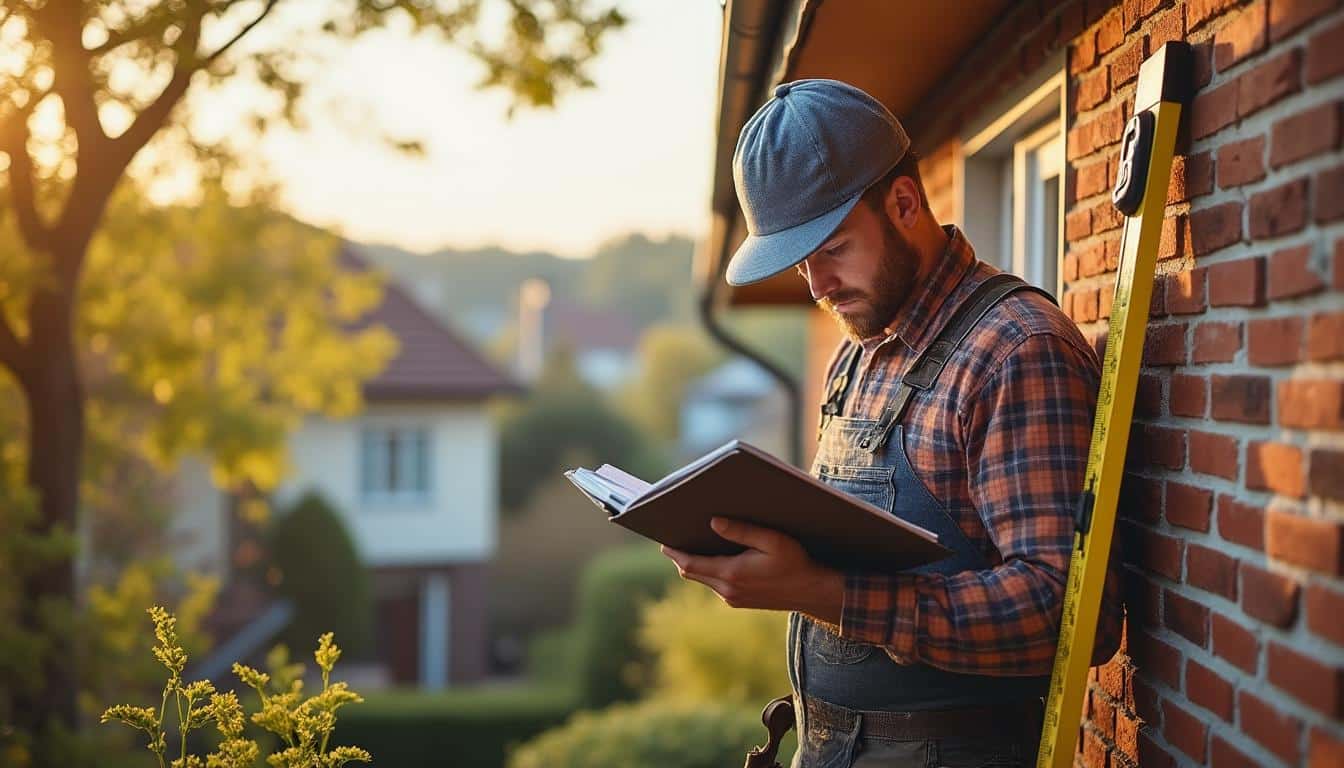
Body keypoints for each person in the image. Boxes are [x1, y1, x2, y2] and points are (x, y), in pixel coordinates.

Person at [658, 78, 1124, 768]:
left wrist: (817, 592)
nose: (817, 285)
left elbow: (1065, 617)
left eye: (832, 249)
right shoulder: (857, 355)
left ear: (904, 203)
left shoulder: (1014, 350)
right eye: (799, 261)